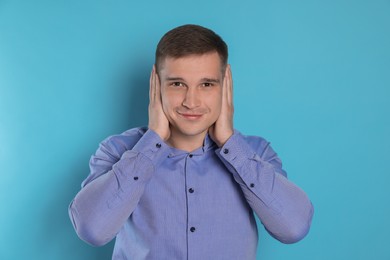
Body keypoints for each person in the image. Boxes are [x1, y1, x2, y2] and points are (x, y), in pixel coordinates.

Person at [69, 24, 314, 259]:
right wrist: (151, 143)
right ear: (157, 84)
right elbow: (92, 230)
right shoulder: (118, 150)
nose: (191, 101)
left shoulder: (255, 153)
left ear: (225, 85)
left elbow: (293, 228)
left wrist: (230, 143)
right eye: (177, 84)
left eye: (206, 84)